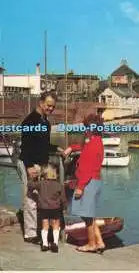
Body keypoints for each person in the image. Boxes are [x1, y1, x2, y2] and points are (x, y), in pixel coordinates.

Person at [17, 91, 72, 244]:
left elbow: (44, 145)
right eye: (48, 105)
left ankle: (41, 230)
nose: (50, 109)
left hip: (41, 164)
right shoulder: (29, 122)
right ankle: (30, 234)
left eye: (53, 107)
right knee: (31, 199)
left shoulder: (45, 122)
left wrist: (58, 149)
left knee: (41, 198)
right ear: (41, 103)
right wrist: (28, 167)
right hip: (30, 163)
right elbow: (26, 146)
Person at [70, 113, 105, 254]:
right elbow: (83, 149)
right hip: (95, 181)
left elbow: (87, 168)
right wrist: (72, 147)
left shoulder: (92, 144)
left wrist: (80, 187)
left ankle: (91, 244)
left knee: (87, 215)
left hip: (88, 182)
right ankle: (100, 242)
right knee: (89, 214)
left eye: (86, 128)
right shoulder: (97, 141)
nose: (85, 130)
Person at [27, 163, 67, 252]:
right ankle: (55, 243)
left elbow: (30, 186)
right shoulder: (59, 185)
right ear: (55, 174)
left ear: (44, 174)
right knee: (56, 226)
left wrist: (32, 178)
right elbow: (63, 199)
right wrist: (64, 207)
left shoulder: (41, 183)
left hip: (43, 209)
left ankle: (45, 244)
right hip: (55, 209)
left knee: (45, 226)